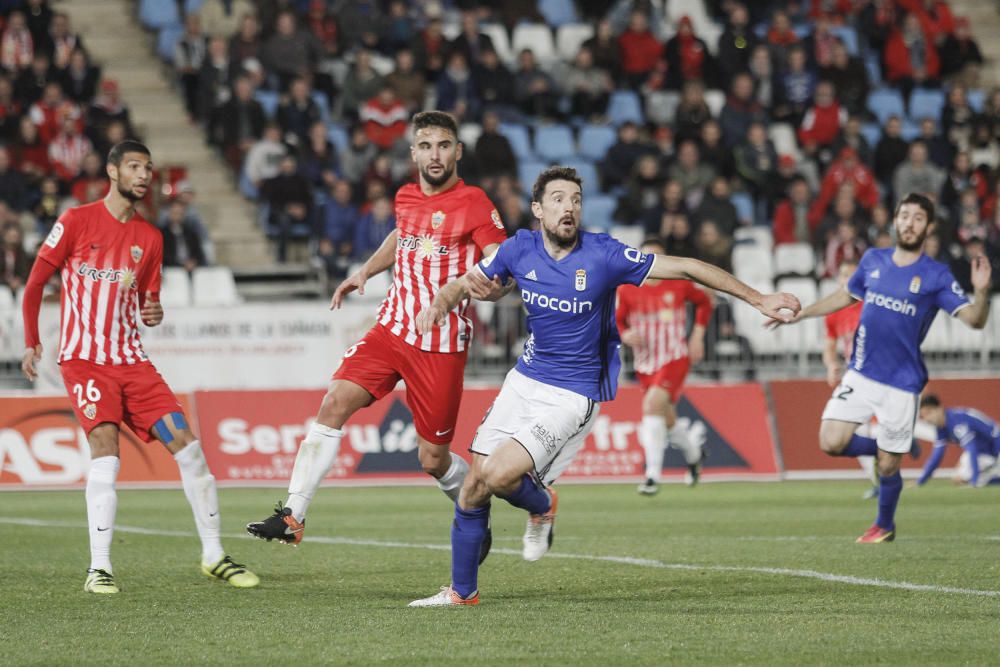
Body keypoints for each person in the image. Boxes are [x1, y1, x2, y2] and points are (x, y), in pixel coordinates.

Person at [408, 166, 800, 606]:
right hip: (524, 380)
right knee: (475, 484)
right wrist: (444, 303)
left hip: (574, 392)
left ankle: (540, 506)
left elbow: (688, 267)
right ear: (538, 209)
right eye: (557, 199)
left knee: (498, 475)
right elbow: (474, 282)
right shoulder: (518, 248)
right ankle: (463, 593)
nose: (568, 207)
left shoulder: (605, 255)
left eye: (575, 199)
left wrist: (759, 298)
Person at [246, 111, 509, 548]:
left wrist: (495, 286)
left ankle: (474, 508)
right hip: (390, 330)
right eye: (425, 146)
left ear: (458, 151)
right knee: (334, 402)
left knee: (433, 458)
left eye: (444, 145)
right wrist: (364, 270)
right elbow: (400, 235)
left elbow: (500, 259)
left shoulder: (475, 203)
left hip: (439, 345)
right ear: (413, 153)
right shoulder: (405, 196)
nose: (435, 154)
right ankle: (293, 514)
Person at [19, 140, 259, 594]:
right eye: (134, 167)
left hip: (133, 363)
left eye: (148, 168)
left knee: (189, 449)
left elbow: (150, 301)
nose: (144, 175)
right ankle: (99, 568)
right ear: (112, 171)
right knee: (106, 453)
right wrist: (32, 341)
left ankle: (214, 555)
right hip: (86, 361)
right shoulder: (76, 220)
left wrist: (155, 312)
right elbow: (34, 283)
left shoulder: (150, 237)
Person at [771, 193, 992, 543]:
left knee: (890, 467)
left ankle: (884, 525)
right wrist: (802, 314)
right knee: (830, 441)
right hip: (860, 373)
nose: (909, 222)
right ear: (895, 219)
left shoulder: (936, 275)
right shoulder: (874, 259)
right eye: (904, 215)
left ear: (928, 226)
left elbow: (975, 321)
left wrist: (981, 294)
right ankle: (883, 448)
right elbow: (846, 295)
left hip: (901, 384)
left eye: (918, 218)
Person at [617, 237, 712, 495]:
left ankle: (652, 476)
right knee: (667, 418)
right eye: (647, 257)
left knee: (651, 406)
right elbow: (617, 321)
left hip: (674, 357)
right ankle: (694, 455)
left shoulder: (678, 284)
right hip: (645, 363)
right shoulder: (627, 288)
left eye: (658, 258)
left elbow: (704, 301)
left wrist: (698, 335)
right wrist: (624, 335)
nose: (653, 264)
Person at [822, 257, 878, 499]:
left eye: (853, 276)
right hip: (854, 375)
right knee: (852, 432)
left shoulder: (871, 305)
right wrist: (831, 364)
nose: (848, 280)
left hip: (878, 374)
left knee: (875, 428)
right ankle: (879, 480)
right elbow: (829, 345)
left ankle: (885, 471)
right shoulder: (834, 313)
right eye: (844, 275)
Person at [915, 396, 1000, 488]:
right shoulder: (941, 428)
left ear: (940, 408)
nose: (927, 419)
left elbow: (972, 449)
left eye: (929, 413)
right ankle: (988, 475)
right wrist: (920, 482)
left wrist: (974, 481)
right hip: (984, 451)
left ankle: (987, 475)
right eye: (923, 416)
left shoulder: (956, 421)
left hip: (995, 447)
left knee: (970, 477)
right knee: (960, 478)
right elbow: (937, 456)